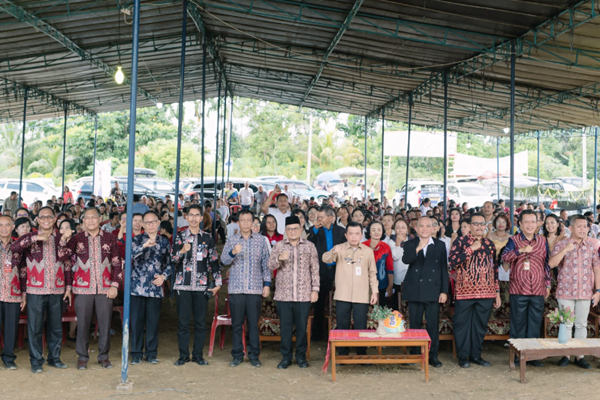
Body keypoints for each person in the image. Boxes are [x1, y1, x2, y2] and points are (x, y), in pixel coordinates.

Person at [11, 206, 72, 373]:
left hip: (57, 289)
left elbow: (66, 262)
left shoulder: (61, 237)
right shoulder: (30, 237)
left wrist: (68, 287)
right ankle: (36, 362)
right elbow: (14, 248)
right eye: (42, 217)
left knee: (55, 327)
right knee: (35, 327)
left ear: (54, 219)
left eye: (49, 217)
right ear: (36, 220)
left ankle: (54, 358)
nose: (46, 220)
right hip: (35, 290)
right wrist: (34, 238)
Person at [63, 207, 122, 370]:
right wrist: (64, 239)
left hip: (105, 289)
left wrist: (114, 285)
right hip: (82, 289)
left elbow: (117, 263)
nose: (90, 220)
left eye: (93, 217)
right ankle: (82, 357)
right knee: (82, 324)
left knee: (104, 324)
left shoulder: (110, 238)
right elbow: (62, 256)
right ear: (82, 221)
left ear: (100, 219)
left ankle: (104, 356)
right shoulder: (76, 239)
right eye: (87, 218)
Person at [171, 204, 221, 366]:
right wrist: (181, 251)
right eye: (190, 215)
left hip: (201, 286)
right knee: (183, 323)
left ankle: (198, 355)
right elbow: (172, 261)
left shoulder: (207, 238)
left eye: (196, 215)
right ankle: (183, 355)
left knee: (200, 323)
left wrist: (218, 283)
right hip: (182, 286)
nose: (193, 218)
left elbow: (214, 262)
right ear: (186, 217)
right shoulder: (180, 237)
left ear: (201, 218)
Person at [448, 213, 500, 368]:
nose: (479, 227)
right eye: (476, 223)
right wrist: (470, 249)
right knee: (462, 325)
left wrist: (496, 291)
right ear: (470, 226)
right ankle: (463, 357)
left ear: (485, 226)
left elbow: (494, 268)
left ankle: (476, 355)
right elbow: (452, 263)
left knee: (480, 326)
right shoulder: (461, 242)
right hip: (465, 292)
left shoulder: (490, 244)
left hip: (487, 292)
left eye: (482, 224)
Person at [221, 209, 271, 368]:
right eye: (243, 220)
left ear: (253, 222)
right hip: (236, 289)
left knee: (253, 324)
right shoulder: (232, 240)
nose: (246, 223)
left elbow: (266, 264)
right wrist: (232, 252)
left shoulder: (261, 240)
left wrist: (267, 284)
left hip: (255, 289)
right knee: (236, 324)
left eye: (249, 220)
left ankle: (254, 355)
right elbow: (223, 261)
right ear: (239, 222)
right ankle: (237, 354)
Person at [268, 216, 320, 369]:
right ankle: (286, 357)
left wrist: (315, 290)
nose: (292, 232)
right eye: (289, 229)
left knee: (302, 327)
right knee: (285, 327)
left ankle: (301, 357)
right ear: (285, 231)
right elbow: (270, 265)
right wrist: (279, 258)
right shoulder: (279, 246)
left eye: (295, 229)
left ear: (300, 230)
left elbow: (315, 270)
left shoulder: (309, 246)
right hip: (284, 295)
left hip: (303, 294)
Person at [549, 214, 600, 369]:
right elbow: (552, 264)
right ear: (570, 228)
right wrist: (565, 249)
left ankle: (580, 356)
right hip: (566, 291)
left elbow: (597, 269)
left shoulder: (592, 245)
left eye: (585, 226)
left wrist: (598, 290)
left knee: (581, 324)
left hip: (585, 291)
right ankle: (566, 355)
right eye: (579, 226)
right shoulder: (561, 244)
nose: (583, 229)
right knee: (566, 324)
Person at [501, 210, 550, 367]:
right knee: (518, 323)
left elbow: (547, 264)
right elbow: (504, 257)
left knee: (535, 323)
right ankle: (517, 355)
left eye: (532, 221)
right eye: (526, 222)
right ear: (520, 224)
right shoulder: (514, 240)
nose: (530, 225)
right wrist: (520, 251)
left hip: (538, 288)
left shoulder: (542, 241)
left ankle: (533, 356)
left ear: (537, 224)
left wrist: (547, 283)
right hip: (518, 289)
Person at [322, 222, 378, 356]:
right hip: (343, 294)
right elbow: (325, 259)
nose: (354, 237)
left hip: (362, 295)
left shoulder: (368, 251)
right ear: (346, 235)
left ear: (361, 235)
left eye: (357, 234)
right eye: (351, 234)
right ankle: (342, 353)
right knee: (342, 324)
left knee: (361, 325)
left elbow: (372, 273)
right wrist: (332, 252)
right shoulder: (339, 248)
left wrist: (374, 292)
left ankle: (361, 353)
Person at [402, 217, 449, 368]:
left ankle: (432, 355)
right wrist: (417, 249)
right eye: (421, 226)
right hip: (414, 289)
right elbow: (406, 260)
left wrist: (444, 291)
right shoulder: (410, 244)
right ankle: (415, 353)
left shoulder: (440, 245)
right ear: (416, 228)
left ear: (433, 228)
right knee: (414, 323)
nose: (424, 229)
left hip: (433, 290)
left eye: (427, 226)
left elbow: (443, 269)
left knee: (432, 325)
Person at [130, 211, 173, 365]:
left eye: (153, 222)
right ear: (142, 225)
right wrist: (143, 246)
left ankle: (151, 353)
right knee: (136, 322)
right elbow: (129, 256)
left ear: (158, 223)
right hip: (137, 287)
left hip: (155, 288)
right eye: (147, 222)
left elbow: (170, 263)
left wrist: (164, 276)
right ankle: (135, 353)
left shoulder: (164, 242)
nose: (151, 225)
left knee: (153, 322)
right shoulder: (136, 240)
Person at [308, 206, 346, 341]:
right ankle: (318, 334)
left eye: (322, 217)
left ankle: (338, 332)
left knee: (338, 301)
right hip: (321, 270)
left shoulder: (341, 231)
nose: (319, 219)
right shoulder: (316, 231)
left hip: (338, 270)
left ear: (331, 218)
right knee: (319, 302)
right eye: (318, 217)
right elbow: (308, 242)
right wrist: (315, 228)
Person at [0, 216, 25, 370]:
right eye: (0, 225)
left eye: (7, 225)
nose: (3, 228)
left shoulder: (18, 246)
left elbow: (23, 271)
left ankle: (8, 357)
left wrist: (24, 294)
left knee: (11, 328)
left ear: (13, 227)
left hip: (13, 293)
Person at [363, 221, 393, 306]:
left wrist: (390, 286)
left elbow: (390, 268)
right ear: (369, 232)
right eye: (373, 230)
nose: (376, 232)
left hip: (381, 284)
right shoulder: (362, 246)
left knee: (380, 310)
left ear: (382, 232)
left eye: (379, 230)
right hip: (364, 284)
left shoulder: (386, 247)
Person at [385, 219, 409, 311]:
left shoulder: (412, 240)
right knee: (397, 304)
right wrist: (398, 244)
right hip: (397, 276)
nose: (400, 230)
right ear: (394, 229)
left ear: (407, 229)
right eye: (398, 228)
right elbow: (395, 256)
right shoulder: (391, 241)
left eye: (403, 227)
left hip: (410, 276)